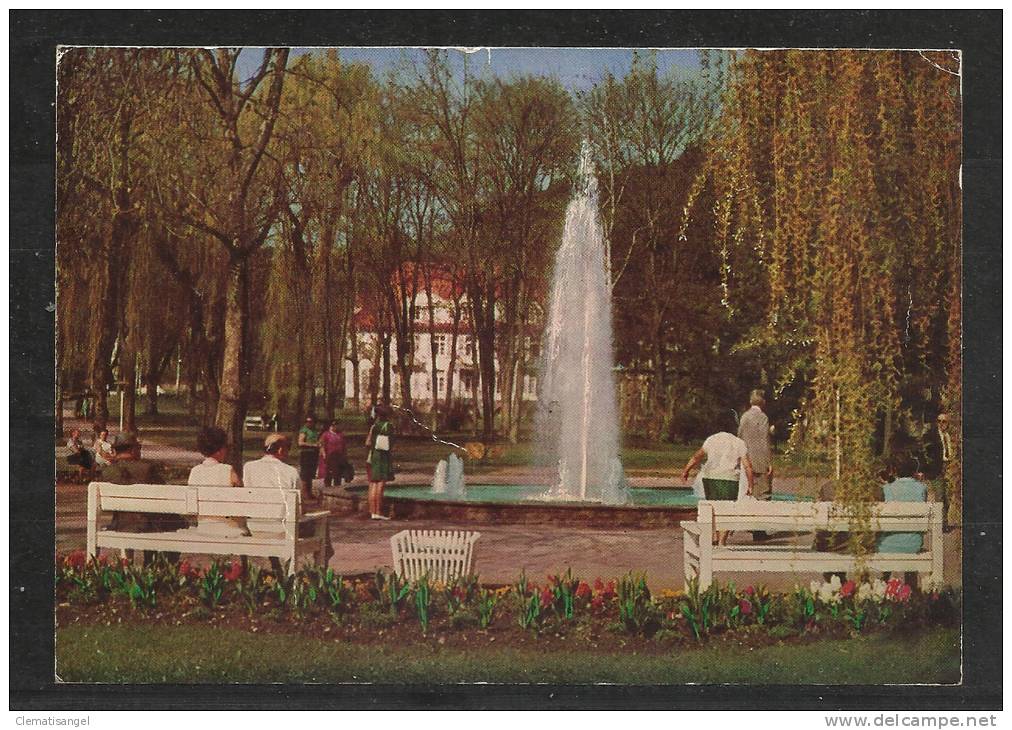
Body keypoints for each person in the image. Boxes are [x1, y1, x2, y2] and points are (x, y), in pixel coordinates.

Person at [103, 432, 185, 565]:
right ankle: (157, 567)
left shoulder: (107, 472)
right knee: (173, 523)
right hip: (145, 524)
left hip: (120, 524)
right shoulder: (147, 469)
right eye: (138, 448)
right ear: (132, 449)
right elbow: (164, 494)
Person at [243, 433, 320, 573]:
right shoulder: (291, 472)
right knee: (321, 525)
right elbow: (300, 508)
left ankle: (276, 565)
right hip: (283, 531)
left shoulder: (248, 468)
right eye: (288, 447)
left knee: (270, 516)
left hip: (255, 528)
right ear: (280, 450)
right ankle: (319, 571)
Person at [681, 415, 754, 545]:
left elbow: (696, 457)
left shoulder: (711, 440)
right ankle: (721, 541)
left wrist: (686, 470)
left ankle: (714, 537)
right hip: (730, 479)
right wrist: (750, 484)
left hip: (711, 479)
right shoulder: (738, 442)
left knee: (713, 509)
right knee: (726, 511)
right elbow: (747, 466)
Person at [878, 450, 930, 587]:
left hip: (888, 545)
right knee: (909, 538)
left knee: (886, 539)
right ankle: (912, 591)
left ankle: (882, 586)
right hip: (912, 544)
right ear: (914, 471)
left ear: (895, 471)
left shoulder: (887, 489)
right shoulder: (921, 488)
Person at [188, 426, 247, 537]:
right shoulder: (228, 470)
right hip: (229, 529)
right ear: (220, 450)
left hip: (204, 527)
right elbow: (242, 498)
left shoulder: (194, 472)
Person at [738, 389, 774, 540]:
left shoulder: (744, 417)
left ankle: (753, 526)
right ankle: (760, 530)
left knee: (751, 493)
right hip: (760, 460)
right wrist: (769, 463)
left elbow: (739, 436)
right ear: (763, 402)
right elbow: (764, 441)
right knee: (763, 494)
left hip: (747, 460)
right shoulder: (763, 417)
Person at [366, 404, 395, 520]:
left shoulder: (374, 426)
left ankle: (372, 511)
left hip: (374, 455)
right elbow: (391, 443)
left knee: (373, 483)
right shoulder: (389, 426)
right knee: (381, 485)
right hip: (383, 456)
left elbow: (367, 443)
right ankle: (378, 512)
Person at [317, 419, 349, 491]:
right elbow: (321, 445)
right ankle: (327, 489)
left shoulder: (340, 434)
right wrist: (324, 454)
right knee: (329, 474)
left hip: (339, 456)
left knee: (338, 474)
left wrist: (345, 456)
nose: (335, 427)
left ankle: (337, 488)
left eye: (336, 425)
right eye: (333, 425)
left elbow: (344, 446)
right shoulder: (326, 434)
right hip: (330, 456)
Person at [297, 416, 320, 502]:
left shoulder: (314, 430)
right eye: (308, 421)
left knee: (311, 474)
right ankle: (304, 493)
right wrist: (312, 445)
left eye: (311, 421)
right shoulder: (304, 430)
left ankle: (309, 492)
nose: (309, 423)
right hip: (306, 453)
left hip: (313, 453)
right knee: (305, 474)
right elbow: (300, 442)